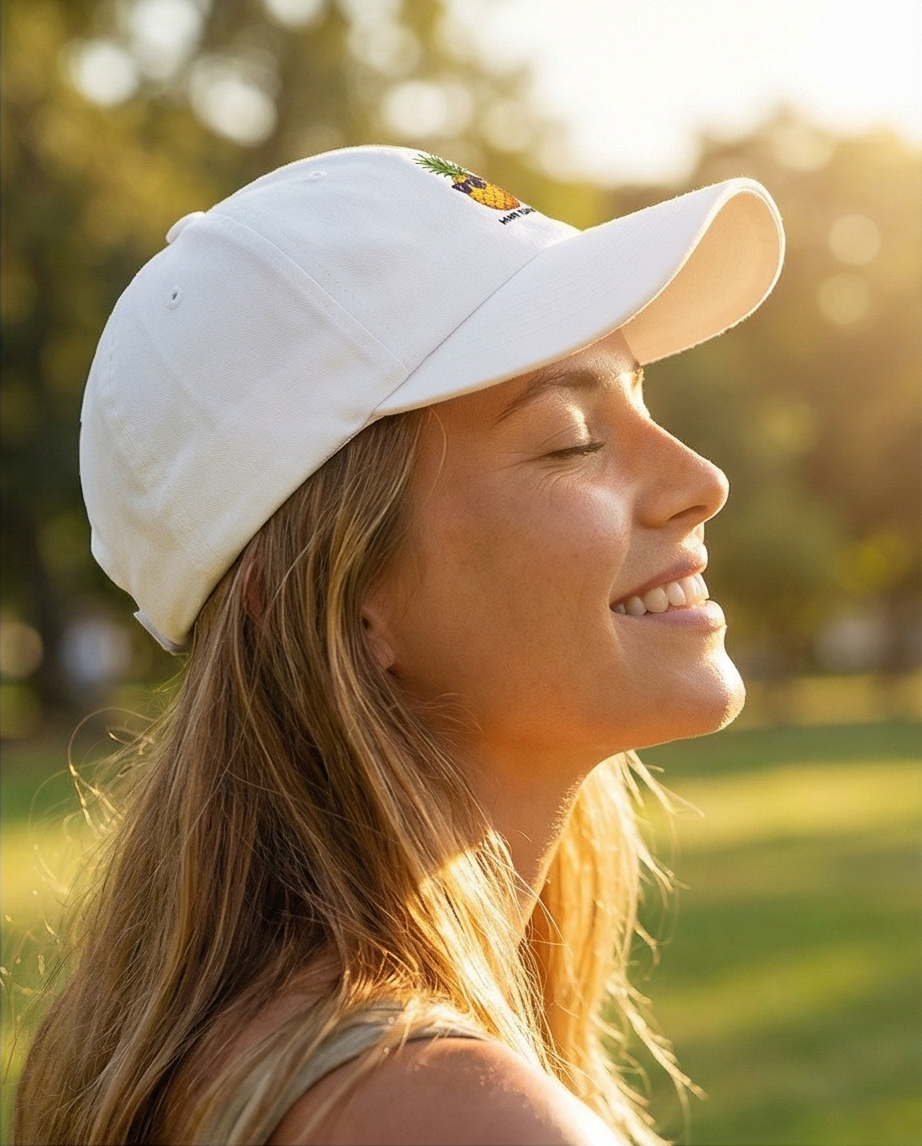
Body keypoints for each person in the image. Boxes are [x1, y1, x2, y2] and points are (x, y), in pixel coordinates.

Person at [14, 146, 783, 1146]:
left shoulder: (218, 1050)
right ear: (337, 599)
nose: (700, 478)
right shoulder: (447, 1116)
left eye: (641, 399)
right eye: (570, 437)